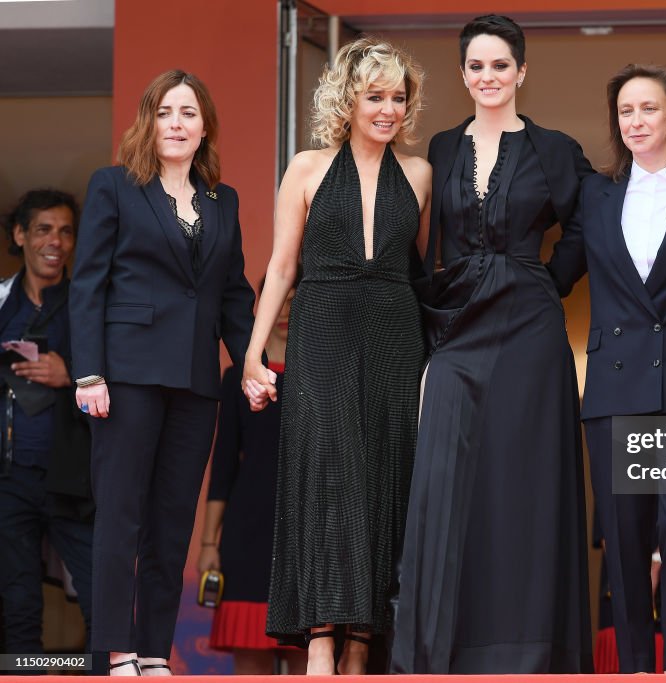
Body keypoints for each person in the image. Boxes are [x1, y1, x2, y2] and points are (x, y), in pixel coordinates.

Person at [390, 14, 593, 674]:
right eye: (476, 66)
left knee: (525, 486)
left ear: (522, 72)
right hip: (456, 330)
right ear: (462, 75)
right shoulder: (441, 149)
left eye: (500, 65)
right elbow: (411, 238)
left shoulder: (557, 149)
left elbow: (587, 227)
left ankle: (529, 651)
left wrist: (544, 280)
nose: (488, 77)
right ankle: (440, 649)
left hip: (531, 331)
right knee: (446, 487)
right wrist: (427, 312)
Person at [242, 38, 430, 676]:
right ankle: (321, 642)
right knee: (328, 475)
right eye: (374, 96)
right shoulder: (306, 167)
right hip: (321, 332)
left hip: (397, 337)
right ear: (346, 99)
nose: (387, 109)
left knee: (386, 478)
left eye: (397, 97)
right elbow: (281, 267)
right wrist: (254, 355)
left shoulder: (422, 173)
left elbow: (425, 274)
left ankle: (361, 647)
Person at [71, 70, 256, 675]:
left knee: (172, 520)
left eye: (189, 113)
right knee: (120, 517)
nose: (176, 123)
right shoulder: (114, 187)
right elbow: (89, 282)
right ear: (148, 122)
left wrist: (250, 363)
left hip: (196, 382)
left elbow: (232, 294)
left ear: (205, 127)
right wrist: (89, 372)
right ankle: (112, 651)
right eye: (165, 112)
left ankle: (151, 650)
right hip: (125, 375)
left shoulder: (221, 200)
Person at [547, 64, 666, 673]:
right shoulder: (595, 193)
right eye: (626, 111)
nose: (636, 121)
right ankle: (634, 668)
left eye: (649, 108)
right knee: (622, 539)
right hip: (616, 385)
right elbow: (557, 273)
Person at [0, 190, 94, 659]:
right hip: (9, 478)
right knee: (17, 605)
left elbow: (124, 376)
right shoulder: (1, 301)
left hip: (72, 476)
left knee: (102, 598)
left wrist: (70, 373)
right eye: (43, 229)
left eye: (65, 231)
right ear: (20, 235)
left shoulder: (87, 303)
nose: (55, 240)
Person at [197, 274, 306, 675]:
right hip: (247, 531)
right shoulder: (239, 379)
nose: (285, 310)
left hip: (304, 528)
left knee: (305, 653)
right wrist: (209, 542)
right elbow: (223, 466)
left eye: (297, 299)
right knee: (250, 656)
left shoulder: (321, 375)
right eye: (279, 298)